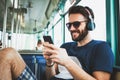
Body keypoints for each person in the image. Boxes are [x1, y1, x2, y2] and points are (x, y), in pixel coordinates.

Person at [43, 5, 114, 80]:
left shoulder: (101, 48)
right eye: (69, 25)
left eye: (76, 24)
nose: (71, 28)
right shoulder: (65, 46)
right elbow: (50, 77)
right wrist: (49, 63)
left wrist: (67, 62)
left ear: (89, 24)